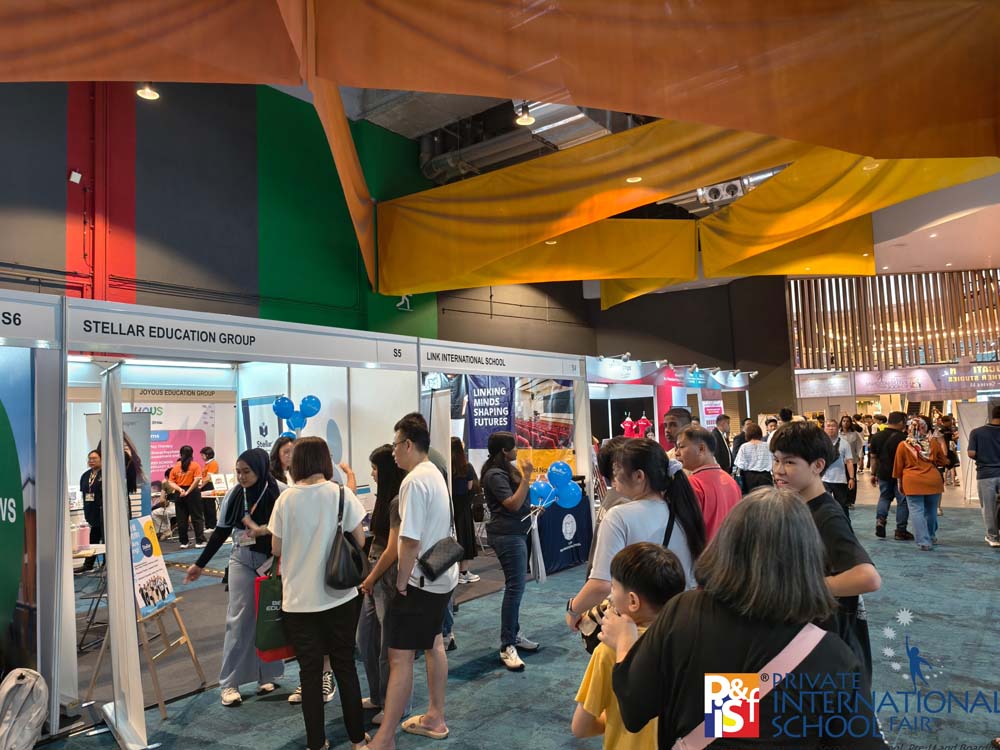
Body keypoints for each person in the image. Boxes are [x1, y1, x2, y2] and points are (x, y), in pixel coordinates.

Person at [602, 487, 888, 750]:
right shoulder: (830, 656)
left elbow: (635, 708)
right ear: (808, 559)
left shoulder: (684, 614)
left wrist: (625, 642)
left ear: (726, 543)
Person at [268, 436, 368, 750]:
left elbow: (276, 548)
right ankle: (357, 739)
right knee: (345, 667)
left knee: (309, 674)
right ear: (325, 460)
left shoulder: (285, 499)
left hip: (298, 601)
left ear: (297, 462)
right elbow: (360, 541)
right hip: (340, 596)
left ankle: (316, 743)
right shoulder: (341, 494)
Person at [367, 414, 459, 749]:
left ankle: (384, 739)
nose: (393, 452)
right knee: (433, 645)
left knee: (399, 658)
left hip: (420, 583)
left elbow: (408, 542)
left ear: (408, 444)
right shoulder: (434, 472)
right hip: (441, 576)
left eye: (395, 445)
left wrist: (402, 584)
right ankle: (435, 716)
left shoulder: (413, 482)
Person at [770, 421, 880, 682]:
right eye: (776, 460)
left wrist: (801, 587)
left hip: (818, 641)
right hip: (800, 633)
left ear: (818, 466)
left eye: (789, 462)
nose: (778, 470)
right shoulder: (799, 507)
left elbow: (868, 578)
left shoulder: (826, 516)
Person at [566, 439, 706, 633]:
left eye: (617, 471)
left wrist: (573, 609)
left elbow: (601, 584)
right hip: (680, 619)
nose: (613, 479)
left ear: (639, 476)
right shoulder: (684, 512)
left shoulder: (619, 516)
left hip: (636, 626)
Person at [183, 448, 284, 706]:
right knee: (238, 619)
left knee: (269, 618)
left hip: (272, 562)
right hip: (242, 559)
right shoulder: (235, 494)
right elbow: (220, 532)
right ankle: (229, 683)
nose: (241, 477)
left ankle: (266, 675)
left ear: (260, 469)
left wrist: (264, 532)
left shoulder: (280, 491)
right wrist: (199, 565)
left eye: (246, 471)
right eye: (238, 472)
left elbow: (289, 528)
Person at [571, 543, 686, 750]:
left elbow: (580, 727)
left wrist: (611, 720)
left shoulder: (608, 650)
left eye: (613, 588)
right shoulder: (694, 640)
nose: (610, 596)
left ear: (633, 600)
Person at [358, 445, 411, 725]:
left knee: (387, 645)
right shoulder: (385, 499)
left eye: (375, 468)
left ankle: (396, 704)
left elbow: (392, 550)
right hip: (376, 572)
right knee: (366, 639)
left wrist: (370, 578)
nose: (372, 474)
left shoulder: (397, 500)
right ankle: (380, 696)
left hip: (386, 574)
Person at [481, 430, 538, 671]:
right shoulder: (494, 475)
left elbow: (518, 503)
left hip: (516, 531)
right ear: (504, 451)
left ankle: (513, 634)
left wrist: (532, 508)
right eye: (513, 447)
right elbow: (512, 504)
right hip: (506, 535)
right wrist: (526, 477)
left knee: (517, 586)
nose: (517, 450)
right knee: (515, 588)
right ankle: (507, 645)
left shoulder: (505, 471)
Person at [674, 425, 741, 541]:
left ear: (701, 448)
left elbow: (685, 530)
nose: (677, 453)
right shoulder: (731, 481)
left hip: (705, 550)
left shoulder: (693, 484)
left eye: (681, 447)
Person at [893, 417, 948, 551]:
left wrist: (899, 481)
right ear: (925, 428)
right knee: (931, 510)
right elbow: (943, 461)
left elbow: (898, 466)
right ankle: (931, 536)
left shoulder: (903, 445)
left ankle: (924, 541)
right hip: (933, 480)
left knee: (916, 511)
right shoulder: (933, 442)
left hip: (912, 482)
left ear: (909, 428)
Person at [868, 411, 913, 541]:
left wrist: (873, 473)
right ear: (901, 422)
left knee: (884, 497)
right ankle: (900, 530)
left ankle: (880, 521)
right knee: (902, 501)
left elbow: (873, 458)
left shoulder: (876, 437)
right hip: (901, 474)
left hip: (883, 472)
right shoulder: (905, 438)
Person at [967, 404, 1000, 547]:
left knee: (989, 507)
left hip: (986, 474)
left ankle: (993, 537)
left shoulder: (977, 432)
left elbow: (971, 453)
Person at [450, 437, 480, 585]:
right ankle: (463, 572)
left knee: (452, 538)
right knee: (465, 538)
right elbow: (470, 487)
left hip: (450, 508)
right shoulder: (467, 467)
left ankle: (452, 572)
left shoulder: (447, 466)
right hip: (463, 508)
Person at [169, 445, 205, 548]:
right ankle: (199, 541)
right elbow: (197, 480)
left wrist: (180, 490)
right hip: (192, 493)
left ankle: (183, 542)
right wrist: (188, 491)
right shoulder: (195, 465)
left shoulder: (176, 466)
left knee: (181, 518)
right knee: (197, 517)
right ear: (192, 454)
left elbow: (171, 482)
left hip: (179, 494)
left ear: (180, 454)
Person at [823, 419, 856, 521]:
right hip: (823, 479)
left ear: (838, 428)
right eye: (828, 426)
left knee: (842, 506)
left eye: (833, 426)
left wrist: (851, 478)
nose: (831, 428)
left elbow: (849, 461)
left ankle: (846, 525)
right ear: (824, 428)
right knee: (824, 506)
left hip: (839, 480)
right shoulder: (819, 443)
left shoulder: (844, 443)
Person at [79, 450, 103, 571]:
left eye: (94, 458)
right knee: (93, 539)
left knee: (105, 539)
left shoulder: (105, 474)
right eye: (90, 459)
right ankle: (88, 565)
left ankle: (106, 564)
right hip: (90, 512)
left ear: (101, 459)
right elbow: (84, 494)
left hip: (103, 513)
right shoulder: (85, 475)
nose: (91, 461)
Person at [733, 423, 773, 492]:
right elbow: (773, 461)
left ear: (747, 434)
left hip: (749, 477)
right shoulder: (767, 446)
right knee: (766, 496)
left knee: (751, 497)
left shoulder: (744, 447)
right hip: (765, 476)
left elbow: (740, 464)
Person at [839, 416, 863, 507]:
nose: (845, 423)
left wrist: (861, 458)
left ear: (850, 423)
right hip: (839, 462)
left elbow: (859, 447)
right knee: (841, 480)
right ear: (841, 422)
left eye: (847, 421)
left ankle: (850, 501)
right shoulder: (837, 434)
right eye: (844, 421)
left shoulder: (854, 434)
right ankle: (842, 499)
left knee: (851, 479)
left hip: (852, 461)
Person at [199, 446, 220, 531]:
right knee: (204, 506)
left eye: (202, 455)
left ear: (207, 455)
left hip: (209, 485)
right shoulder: (207, 464)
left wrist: (201, 486)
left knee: (210, 506)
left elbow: (208, 478)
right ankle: (207, 525)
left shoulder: (213, 463)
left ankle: (212, 525)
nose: (201, 457)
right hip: (205, 485)